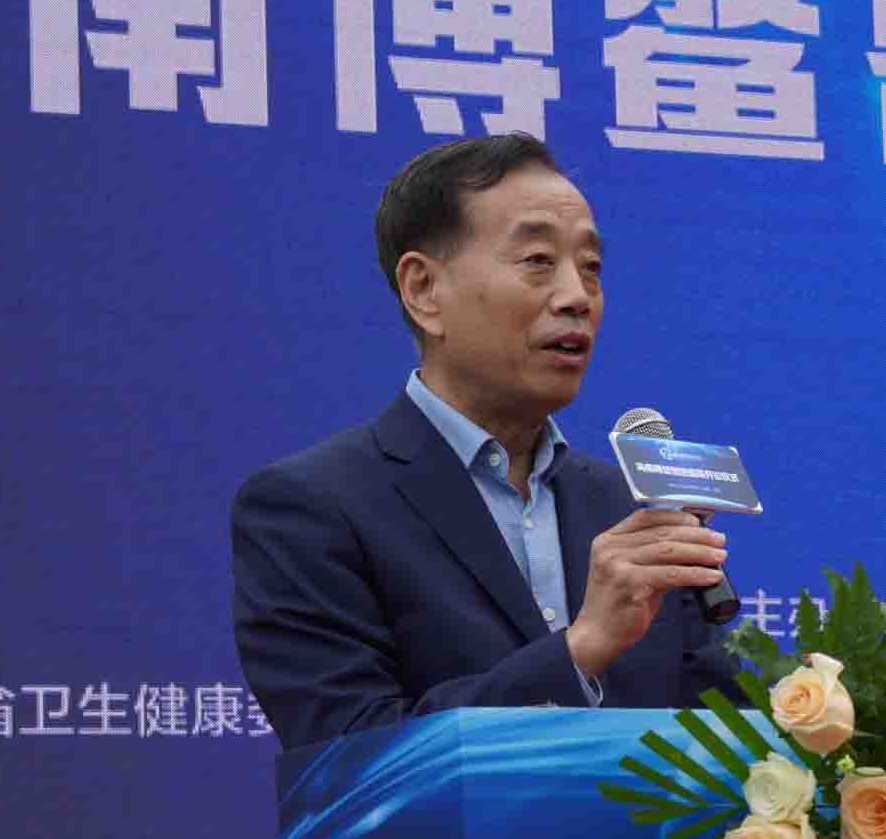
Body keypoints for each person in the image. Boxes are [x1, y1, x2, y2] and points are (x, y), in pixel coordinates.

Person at [231, 136, 737, 752]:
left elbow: (726, 739)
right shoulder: (311, 508)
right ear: (424, 290)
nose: (577, 297)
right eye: (537, 261)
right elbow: (355, 756)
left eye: (591, 268)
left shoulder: (632, 512)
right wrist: (578, 652)